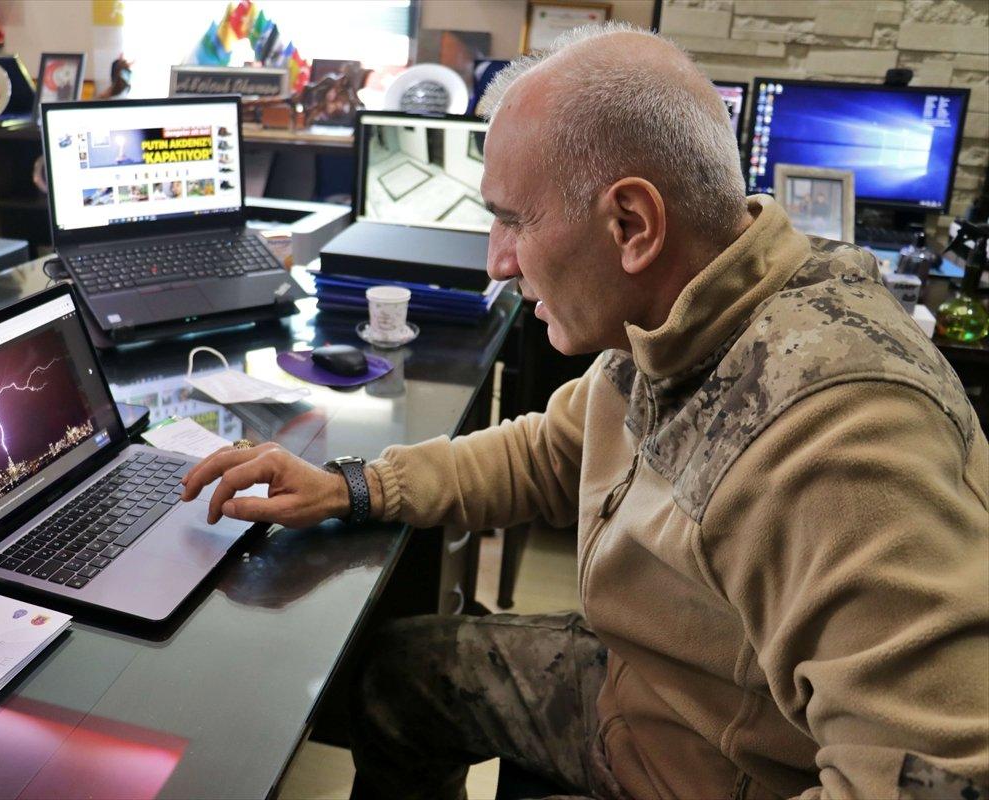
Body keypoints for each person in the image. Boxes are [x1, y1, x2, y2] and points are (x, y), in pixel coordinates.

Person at [180, 22, 988, 800]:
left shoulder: (837, 436)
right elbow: (548, 452)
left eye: (513, 220)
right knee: (397, 677)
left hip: (720, 766)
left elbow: (943, 778)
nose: (497, 262)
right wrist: (350, 486)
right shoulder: (681, 314)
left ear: (631, 224)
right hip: (657, 693)